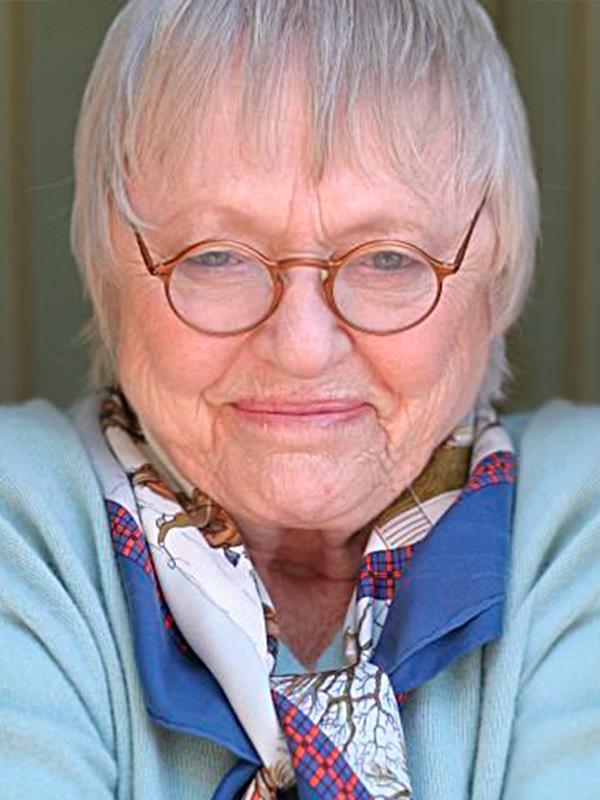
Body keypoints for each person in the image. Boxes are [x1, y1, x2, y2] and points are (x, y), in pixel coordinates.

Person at [1, 1, 599, 798]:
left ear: (494, 273)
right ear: (113, 268)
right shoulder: (21, 521)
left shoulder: (583, 518)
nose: (303, 346)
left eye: (388, 258)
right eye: (216, 256)